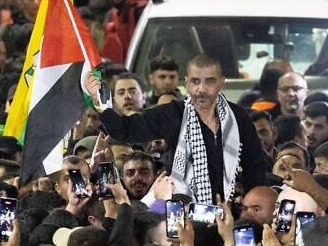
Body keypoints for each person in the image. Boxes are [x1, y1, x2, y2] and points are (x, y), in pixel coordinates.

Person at [85, 54, 267, 204]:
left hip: (232, 209)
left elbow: (255, 168)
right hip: (182, 211)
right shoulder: (173, 114)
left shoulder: (238, 118)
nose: (201, 89)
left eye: (209, 81)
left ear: (221, 83)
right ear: (186, 83)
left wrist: (253, 206)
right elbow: (126, 130)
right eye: (195, 81)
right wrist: (100, 104)